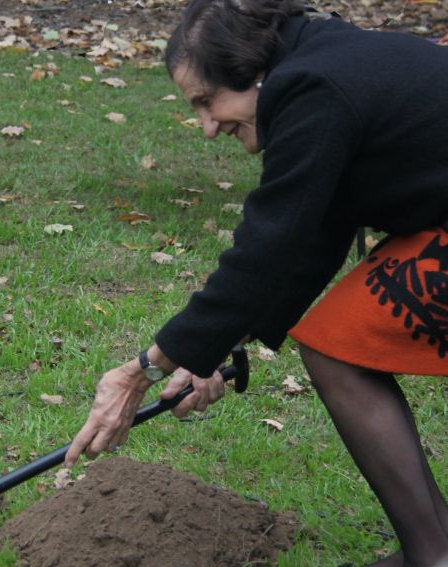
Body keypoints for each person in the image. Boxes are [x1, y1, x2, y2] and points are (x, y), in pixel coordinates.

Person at [64, 1, 448, 566]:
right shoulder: (318, 64)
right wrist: (217, 348)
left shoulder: (311, 86)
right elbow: (312, 234)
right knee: (336, 337)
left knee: (337, 351)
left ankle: (433, 555)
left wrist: (144, 370)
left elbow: (267, 249)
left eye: (206, 101)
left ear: (253, 73)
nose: (208, 126)